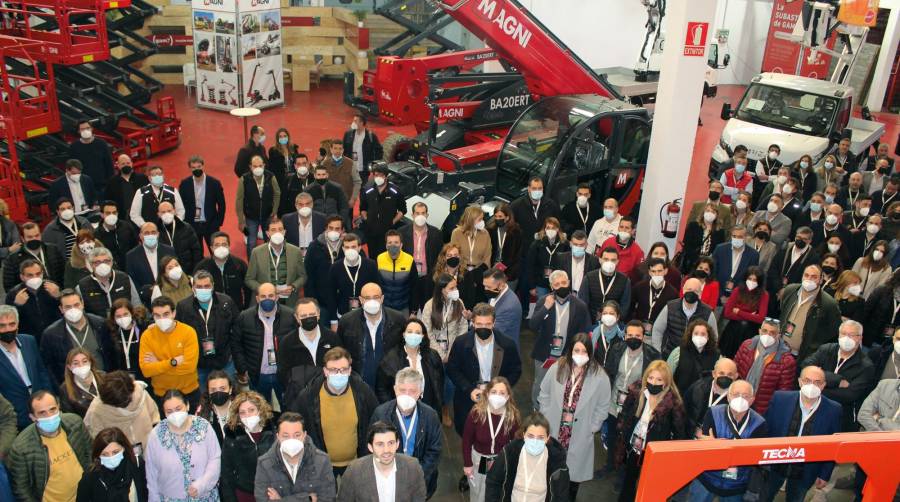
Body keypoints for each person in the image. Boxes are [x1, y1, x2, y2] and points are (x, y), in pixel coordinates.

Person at [538, 333, 610, 499]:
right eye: (576, 350)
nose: (580, 355)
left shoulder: (600, 377)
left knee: (572, 482)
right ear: (570, 351)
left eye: (584, 351)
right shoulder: (557, 367)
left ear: (590, 353)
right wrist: (546, 415)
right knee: (549, 475)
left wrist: (593, 426)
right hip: (555, 429)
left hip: (579, 434)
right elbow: (544, 393)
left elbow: (603, 405)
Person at [289, 347, 378, 477]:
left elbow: (375, 422)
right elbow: (298, 429)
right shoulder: (308, 397)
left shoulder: (363, 392)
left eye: (343, 370)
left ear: (350, 370)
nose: (339, 374)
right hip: (321, 465)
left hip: (357, 463)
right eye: (333, 370)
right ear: (325, 371)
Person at [763, 366, 842, 502]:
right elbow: (765, 431)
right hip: (774, 463)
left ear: (823, 386)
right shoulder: (780, 399)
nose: (811, 385)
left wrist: (824, 474)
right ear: (799, 382)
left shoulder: (833, 410)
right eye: (807, 380)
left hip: (806, 470)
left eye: (817, 382)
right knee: (764, 497)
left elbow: (833, 445)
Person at [616, 360, 689, 502]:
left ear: (666, 382)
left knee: (649, 490)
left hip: (654, 454)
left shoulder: (673, 402)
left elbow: (679, 432)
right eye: (650, 378)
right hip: (634, 448)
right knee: (628, 483)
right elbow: (625, 416)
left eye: (659, 379)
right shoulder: (637, 393)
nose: (653, 382)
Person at [446, 303, 522, 436]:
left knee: (497, 433)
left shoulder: (507, 344)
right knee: (467, 433)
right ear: (473, 323)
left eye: (487, 324)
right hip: (467, 398)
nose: (483, 327)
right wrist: (469, 389)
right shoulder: (460, 343)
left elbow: (516, 369)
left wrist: (501, 389)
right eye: (479, 324)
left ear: (494, 323)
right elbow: (452, 369)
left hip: (498, 398)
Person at [689, 380, 768, 502]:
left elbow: (754, 457)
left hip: (737, 484)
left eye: (745, 396)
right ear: (728, 397)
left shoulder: (759, 423)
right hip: (707, 478)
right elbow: (705, 446)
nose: (740, 399)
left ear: (752, 400)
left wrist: (719, 445)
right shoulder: (713, 412)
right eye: (736, 394)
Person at [7, 391, 91, 502]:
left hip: (86, 495)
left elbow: (90, 452)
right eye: (42, 413)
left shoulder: (75, 423)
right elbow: (21, 489)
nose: (49, 416)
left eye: (52, 409)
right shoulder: (21, 448)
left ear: (59, 407)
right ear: (32, 417)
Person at [370, 368, 443, 497]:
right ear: (395, 389)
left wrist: (418, 476)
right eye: (402, 390)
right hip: (388, 477)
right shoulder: (381, 413)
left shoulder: (430, 416)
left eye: (412, 391)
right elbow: (372, 447)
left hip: (420, 479)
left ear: (420, 393)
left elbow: (434, 451)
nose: (406, 395)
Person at [529, 270, 592, 408]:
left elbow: (585, 332)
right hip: (544, 353)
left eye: (564, 282)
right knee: (540, 383)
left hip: (566, 355)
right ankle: (536, 408)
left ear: (569, 283)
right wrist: (545, 308)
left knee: (562, 384)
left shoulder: (580, 305)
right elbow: (532, 325)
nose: (561, 286)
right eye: (557, 284)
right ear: (552, 287)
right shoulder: (544, 301)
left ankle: (555, 409)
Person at [145, 389, 221, 501]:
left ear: (187, 405)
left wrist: (202, 485)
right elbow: (151, 475)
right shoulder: (156, 435)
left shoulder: (203, 427)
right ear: (164, 413)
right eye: (169, 411)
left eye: (178, 409)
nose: (174, 414)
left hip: (204, 496)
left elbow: (215, 459)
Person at [801, 320, 875, 431]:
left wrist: (815, 386)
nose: (846, 338)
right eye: (843, 334)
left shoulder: (866, 366)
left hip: (840, 416)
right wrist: (836, 380)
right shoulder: (826, 349)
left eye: (851, 335)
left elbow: (849, 395)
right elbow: (806, 366)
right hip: (810, 408)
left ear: (859, 338)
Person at [231, 283, 296, 405]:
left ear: (277, 297)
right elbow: (236, 344)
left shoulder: (290, 315)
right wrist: (242, 368)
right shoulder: (245, 317)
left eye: (271, 295)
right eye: (263, 296)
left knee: (288, 408)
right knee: (261, 414)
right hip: (257, 375)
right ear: (257, 298)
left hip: (283, 375)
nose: (267, 299)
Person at [484, 412, 570, 502]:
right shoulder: (509, 453)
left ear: (547, 438)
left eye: (540, 437)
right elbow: (493, 482)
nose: (535, 441)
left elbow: (561, 496)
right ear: (524, 435)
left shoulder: (557, 462)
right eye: (531, 436)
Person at [253, 411, 337, 501]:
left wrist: (280, 500)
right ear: (278, 437)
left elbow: (328, 499)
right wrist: (308, 499)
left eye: (297, 435)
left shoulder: (322, 460)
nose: (291, 440)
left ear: (304, 435)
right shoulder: (264, 463)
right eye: (286, 436)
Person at [461, 376, 521, 501]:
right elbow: (466, 440)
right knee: (478, 493)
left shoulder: (511, 416)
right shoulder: (476, 413)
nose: (497, 396)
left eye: (502, 393)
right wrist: (468, 464)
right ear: (487, 394)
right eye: (494, 392)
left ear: (508, 397)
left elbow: (516, 443)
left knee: (497, 493)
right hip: (479, 460)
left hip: (500, 461)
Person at [175, 271, 239, 387]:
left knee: (229, 396)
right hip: (198, 364)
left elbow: (237, 330)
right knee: (203, 400)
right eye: (199, 286)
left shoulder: (226, 302)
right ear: (193, 287)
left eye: (206, 286)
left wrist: (234, 356)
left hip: (224, 361)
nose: (203, 289)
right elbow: (179, 334)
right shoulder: (183, 307)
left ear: (213, 286)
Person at [336, 282, 406, 387]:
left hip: (390, 383)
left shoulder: (398, 319)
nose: (372, 301)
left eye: (376, 297)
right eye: (367, 298)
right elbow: (340, 351)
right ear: (361, 300)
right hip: (358, 383)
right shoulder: (347, 321)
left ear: (382, 299)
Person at [337, 421, 427, 501]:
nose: (386, 450)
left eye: (391, 443)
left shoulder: (413, 467)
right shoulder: (354, 471)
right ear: (370, 447)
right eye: (380, 444)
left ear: (397, 444)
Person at [139, 296, 201, 409]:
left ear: (174, 313)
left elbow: (190, 367)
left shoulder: (188, 332)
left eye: (166, 314)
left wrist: (158, 363)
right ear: (153, 316)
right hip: (161, 395)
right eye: (157, 315)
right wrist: (173, 362)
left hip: (189, 392)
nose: (162, 318)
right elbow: (146, 371)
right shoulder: (147, 335)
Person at [42, 288, 115, 383]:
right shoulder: (51, 335)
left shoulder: (100, 324)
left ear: (82, 304)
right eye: (68, 307)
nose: (73, 309)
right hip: (73, 388)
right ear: (61, 309)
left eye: (76, 305)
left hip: (104, 381)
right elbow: (49, 367)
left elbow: (112, 355)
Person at [278, 297, 342, 404]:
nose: (308, 318)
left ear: (318, 314)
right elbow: (283, 372)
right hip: (300, 397)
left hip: (330, 394)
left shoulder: (332, 338)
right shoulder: (287, 342)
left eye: (312, 314)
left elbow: (340, 363)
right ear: (297, 318)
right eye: (303, 316)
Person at [0, 305, 53, 429]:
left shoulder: (29, 341)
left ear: (18, 325)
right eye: (2, 326)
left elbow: (41, 372)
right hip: (15, 415)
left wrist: (50, 397)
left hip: (43, 408)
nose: (7, 329)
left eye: (12, 324)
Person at [83, 370, 159, 455]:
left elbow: (154, 417)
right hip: (121, 457)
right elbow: (98, 439)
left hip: (150, 449)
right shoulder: (97, 410)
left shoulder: (140, 392)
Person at [218, 390, 275, 502]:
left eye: (251, 410)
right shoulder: (232, 436)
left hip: (272, 493)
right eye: (242, 412)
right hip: (244, 493)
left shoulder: (274, 431)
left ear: (260, 410)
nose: (247, 415)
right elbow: (226, 472)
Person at [376, 319, 444, 412]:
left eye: (417, 332)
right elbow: (382, 389)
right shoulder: (390, 359)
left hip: (428, 408)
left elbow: (439, 383)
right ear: (404, 335)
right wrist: (392, 409)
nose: (413, 335)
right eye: (410, 332)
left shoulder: (433, 356)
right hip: (400, 409)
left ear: (422, 336)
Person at [734, 318, 796, 414]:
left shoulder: (786, 361)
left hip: (762, 409)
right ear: (759, 331)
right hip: (738, 399)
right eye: (765, 331)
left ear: (778, 335)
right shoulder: (747, 346)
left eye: (772, 333)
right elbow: (735, 369)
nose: (768, 335)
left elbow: (783, 392)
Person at [779, 264, 841, 362]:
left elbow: (833, 332)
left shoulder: (829, 304)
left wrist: (814, 347)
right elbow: (782, 310)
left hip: (803, 357)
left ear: (821, 280)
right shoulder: (790, 290)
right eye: (806, 275)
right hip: (780, 349)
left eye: (814, 277)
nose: (809, 279)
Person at [75, 426, 148, 502]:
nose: (111, 457)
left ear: (124, 448)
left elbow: (147, 493)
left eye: (115, 452)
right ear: (98, 455)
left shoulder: (137, 465)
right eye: (105, 454)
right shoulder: (90, 478)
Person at [245, 217, 306, 308]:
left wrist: (293, 287)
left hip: (289, 301)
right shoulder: (256, 252)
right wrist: (266, 290)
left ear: (284, 232)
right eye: (273, 230)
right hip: (265, 301)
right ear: (267, 233)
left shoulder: (295, 251)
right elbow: (249, 279)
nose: (277, 233)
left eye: (280, 229)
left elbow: (303, 276)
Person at [651, 278, 718, 359]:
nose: (691, 293)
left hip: (694, 357)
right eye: (689, 289)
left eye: (696, 291)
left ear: (700, 294)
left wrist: (704, 357)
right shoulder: (670, 307)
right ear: (683, 290)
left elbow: (713, 338)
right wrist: (658, 353)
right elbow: (657, 330)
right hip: (669, 354)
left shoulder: (708, 313)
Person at [326, 233, 381, 323]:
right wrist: (333, 321)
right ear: (343, 249)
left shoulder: (371, 265)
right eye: (347, 247)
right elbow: (331, 295)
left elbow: (378, 289)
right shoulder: (335, 267)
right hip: (343, 315)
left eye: (353, 247)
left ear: (359, 248)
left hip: (367, 313)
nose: (350, 250)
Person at [175, 156, 225, 254]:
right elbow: (180, 205)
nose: (197, 169)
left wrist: (218, 222)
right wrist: (185, 222)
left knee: (216, 252)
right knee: (197, 253)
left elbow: (222, 204)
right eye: (193, 167)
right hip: (193, 225)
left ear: (203, 166)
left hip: (210, 224)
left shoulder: (214, 183)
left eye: (199, 166)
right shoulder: (185, 184)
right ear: (190, 168)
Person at [400, 202, 443, 312]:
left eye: (423, 213)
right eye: (417, 213)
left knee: (428, 310)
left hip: (428, 278)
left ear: (427, 215)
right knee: (410, 310)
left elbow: (440, 257)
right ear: (412, 215)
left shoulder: (436, 233)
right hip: (409, 277)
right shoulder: (402, 232)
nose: (420, 216)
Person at [766, 227, 819, 316]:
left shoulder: (813, 257)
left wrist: (787, 291)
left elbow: (807, 278)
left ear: (810, 241)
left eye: (804, 239)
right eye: (798, 237)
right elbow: (773, 268)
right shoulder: (784, 248)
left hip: (794, 295)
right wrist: (779, 288)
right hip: (774, 290)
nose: (800, 240)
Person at [236, 155, 281, 258]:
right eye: (255, 166)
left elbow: (277, 193)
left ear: (264, 165)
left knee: (270, 240)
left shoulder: (271, 176)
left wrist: (274, 211)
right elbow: (239, 200)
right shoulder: (244, 179)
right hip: (251, 217)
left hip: (268, 215)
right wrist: (241, 220)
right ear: (250, 167)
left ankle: (270, 262)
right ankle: (252, 266)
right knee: (251, 243)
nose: (258, 168)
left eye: (260, 165)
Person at [76, 247, 140, 318]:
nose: (102, 265)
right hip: (99, 326)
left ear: (112, 262)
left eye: (106, 261)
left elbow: (136, 305)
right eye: (97, 262)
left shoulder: (125, 278)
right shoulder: (82, 286)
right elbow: (83, 315)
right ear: (91, 265)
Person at [719, 266, 769, 358]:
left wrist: (739, 312)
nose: (752, 282)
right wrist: (751, 315)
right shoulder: (737, 290)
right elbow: (727, 313)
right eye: (750, 278)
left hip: (750, 332)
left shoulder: (764, 295)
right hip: (733, 330)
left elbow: (761, 319)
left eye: (755, 280)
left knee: (743, 360)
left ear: (759, 281)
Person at [359, 164, 407, 258]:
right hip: (371, 231)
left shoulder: (395, 191)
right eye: (376, 175)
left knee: (387, 257)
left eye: (381, 175)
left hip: (388, 232)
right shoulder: (367, 190)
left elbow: (402, 210)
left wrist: (392, 222)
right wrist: (367, 220)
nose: (378, 177)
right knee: (373, 256)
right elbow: (363, 208)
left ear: (386, 175)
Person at [7, 259, 62, 338]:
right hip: (30, 337)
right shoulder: (13, 294)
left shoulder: (52, 287)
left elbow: (64, 311)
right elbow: (9, 322)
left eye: (38, 274)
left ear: (42, 273)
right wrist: (17, 305)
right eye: (30, 275)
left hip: (55, 335)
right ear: (22, 277)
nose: (35, 278)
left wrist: (58, 296)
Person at [682, 357, 738, 436]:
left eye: (730, 374)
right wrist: (694, 431)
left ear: (736, 376)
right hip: (692, 437)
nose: (725, 377)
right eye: (721, 373)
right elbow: (683, 413)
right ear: (714, 374)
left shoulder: (739, 398)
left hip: (719, 442)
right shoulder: (697, 388)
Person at [194, 232, 250, 309]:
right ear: (211, 248)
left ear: (229, 246)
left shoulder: (239, 265)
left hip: (235, 309)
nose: (221, 248)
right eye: (217, 245)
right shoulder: (202, 266)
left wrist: (245, 308)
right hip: (212, 309)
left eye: (224, 244)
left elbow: (248, 289)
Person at [3, 221, 65, 291]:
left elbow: (64, 274)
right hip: (29, 298)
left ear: (40, 235)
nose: (34, 239)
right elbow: (9, 287)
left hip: (55, 293)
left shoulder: (53, 250)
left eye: (37, 235)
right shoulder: (12, 259)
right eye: (30, 237)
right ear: (22, 239)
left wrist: (60, 291)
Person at [667, 319, 721, 397]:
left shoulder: (717, 356)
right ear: (691, 335)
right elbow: (667, 375)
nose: (699, 336)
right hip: (678, 397)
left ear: (708, 337)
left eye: (703, 334)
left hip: (702, 399)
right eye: (696, 333)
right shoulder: (678, 352)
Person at [580, 246, 633, 321]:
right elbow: (583, 303)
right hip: (591, 321)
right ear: (600, 260)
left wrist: (614, 320)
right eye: (606, 259)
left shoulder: (625, 280)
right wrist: (591, 320)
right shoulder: (589, 277)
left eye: (613, 260)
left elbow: (625, 307)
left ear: (618, 261)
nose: (609, 262)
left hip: (614, 322)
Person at [510, 177, 560, 256]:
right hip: (524, 252)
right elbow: (511, 229)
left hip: (545, 250)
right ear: (529, 189)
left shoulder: (551, 205)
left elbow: (558, 225)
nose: (537, 191)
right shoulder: (516, 206)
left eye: (540, 188)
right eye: (534, 188)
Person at [711, 225, 759, 304]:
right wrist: (720, 295)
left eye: (740, 237)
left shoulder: (753, 255)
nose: (736, 239)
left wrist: (734, 297)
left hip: (738, 297)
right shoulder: (720, 249)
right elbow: (713, 273)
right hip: (717, 294)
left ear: (746, 237)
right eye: (734, 236)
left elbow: (750, 278)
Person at [155, 200, 203, 275]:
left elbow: (196, 251)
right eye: (163, 212)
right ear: (158, 214)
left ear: (174, 211)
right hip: (165, 273)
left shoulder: (187, 228)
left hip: (187, 272)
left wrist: (194, 271)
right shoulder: (155, 231)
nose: (166, 214)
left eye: (169, 211)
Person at [376, 230, 418, 314]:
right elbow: (376, 284)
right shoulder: (379, 259)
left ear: (401, 245)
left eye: (396, 242)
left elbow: (415, 287)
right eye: (390, 243)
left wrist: (414, 312)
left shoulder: (409, 260)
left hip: (404, 308)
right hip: (384, 308)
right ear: (386, 245)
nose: (393, 245)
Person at [525, 217, 568, 299]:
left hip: (558, 283)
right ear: (544, 229)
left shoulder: (564, 244)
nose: (550, 230)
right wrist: (532, 286)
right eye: (548, 228)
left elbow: (567, 265)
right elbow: (530, 265)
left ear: (558, 229)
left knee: (557, 307)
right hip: (541, 283)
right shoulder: (537, 244)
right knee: (542, 307)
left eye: (553, 228)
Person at [126, 223, 177, 291]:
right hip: (145, 297)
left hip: (168, 293)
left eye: (153, 232)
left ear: (158, 234)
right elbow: (132, 281)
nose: (150, 235)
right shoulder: (131, 256)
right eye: (146, 233)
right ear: (141, 236)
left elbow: (175, 272)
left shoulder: (169, 251)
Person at [69, 119, 114, 192]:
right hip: (84, 186)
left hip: (102, 185)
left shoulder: (101, 143)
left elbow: (109, 164)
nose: (85, 130)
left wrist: (110, 182)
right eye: (82, 129)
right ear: (78, 131)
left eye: (87, 128)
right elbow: (73, 168)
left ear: (92, 129)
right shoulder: (74, 147)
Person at [482, 267, 523, 347]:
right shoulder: (496, 293)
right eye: (484, 286)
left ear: (501, 285)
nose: (485, 289)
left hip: (503, 350)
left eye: (489, 287)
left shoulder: (509, 306)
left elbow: (493, 333)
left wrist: (474, 323)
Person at [195, 370, 237, 445]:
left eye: (222, 388)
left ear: (230, 389)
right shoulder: (202, 411)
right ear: (208, 392)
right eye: (213, 390)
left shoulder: (241, 408)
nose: (218, 392)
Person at [552, 229, 599, 296]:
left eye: (581, 245)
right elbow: (556, 280)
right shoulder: (561, 258)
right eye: (575, 244)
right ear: (570, 244)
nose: (578, 247)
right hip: (565, 296)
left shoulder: (594, 261)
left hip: (585, 298)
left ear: (586, 245)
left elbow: (594, 284)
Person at [681, 203, 725, 274]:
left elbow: (719, 250)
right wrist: (697, 261)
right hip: (692, 264)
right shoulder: (693, 226)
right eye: (707, 211)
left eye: (713, 212)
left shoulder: (720, 232)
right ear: (703, 213)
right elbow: (687, 245)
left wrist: (708, 262)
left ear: (717, 215)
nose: (710, 213)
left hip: (708, 266)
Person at [488, 204, 524, 288]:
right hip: (493, 271)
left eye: (500, 216)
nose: (497, 219)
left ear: (507, 217)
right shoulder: (490, 230)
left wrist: (508, 275)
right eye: (495, 216)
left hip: (510, 273)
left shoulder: (516, 232)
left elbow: (518, 256)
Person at [59, 347, 103, 417]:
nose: (81, 366)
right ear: (69, 367)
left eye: (85, 361)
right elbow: (72, 418)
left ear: (90, 363)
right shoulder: (65, 389)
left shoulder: (103, 377)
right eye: (76, 363)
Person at [599, 215, 644, 281]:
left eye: (627, 228)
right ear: (618, 228)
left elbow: (638, 275)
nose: (623, 230)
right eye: (621, 227)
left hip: (623, 284)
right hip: (603, 279)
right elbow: (599, 261)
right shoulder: (607, 243)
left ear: (633, 231)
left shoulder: (638, 252)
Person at [95, 200, 138, 268]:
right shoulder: (96, 235)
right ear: (102, 214)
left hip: (131, 265)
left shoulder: (127, 227)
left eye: (114, 213)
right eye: (108, 213)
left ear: (117, 213)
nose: (111, 215)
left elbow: (135, 245)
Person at [103, 153, 149, 218]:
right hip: (123, 217)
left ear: (132, 163)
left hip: (142, 215)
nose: (126, 165)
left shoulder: (142, 178)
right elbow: (108, 200)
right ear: (118, 165)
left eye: (128, 163)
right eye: (123, 164)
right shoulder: (112, 182)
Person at [451, 205, 493, 274]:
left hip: (479, 271)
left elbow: (487, 256)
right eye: (480, 219)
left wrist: (479, 271)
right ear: (471, 220)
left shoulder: (485, 233)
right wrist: (463, 269)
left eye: (482, 219)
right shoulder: (456, 233)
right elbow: (454, 254)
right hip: (461, 270)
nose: (482, 222)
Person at [322, 139, 362, 209]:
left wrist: (353, 199)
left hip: (346, 202)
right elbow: (321, 182)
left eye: (340, 149)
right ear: (331, 149)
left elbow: (357, 182)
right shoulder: (324, 164)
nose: (337, 151)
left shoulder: (351, 163)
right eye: (335, 148)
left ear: (343, 150)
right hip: (330, 202)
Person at [344, 114, 383, 180]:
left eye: (355, 121)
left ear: (361, 123)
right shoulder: (348, 134)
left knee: (363, 187)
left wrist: (373, 164)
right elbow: (344, 150)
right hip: (351, 169)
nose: (353, 123)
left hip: (364, 171)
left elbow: (379, 151)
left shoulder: (371, 136)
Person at [592, 301, 625, 367]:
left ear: (618, 317)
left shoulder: (622, 335)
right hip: (596, 370)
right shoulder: (594, 332)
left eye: (611, 313)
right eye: (605, 313)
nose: (608, 316)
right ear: (601, 316)